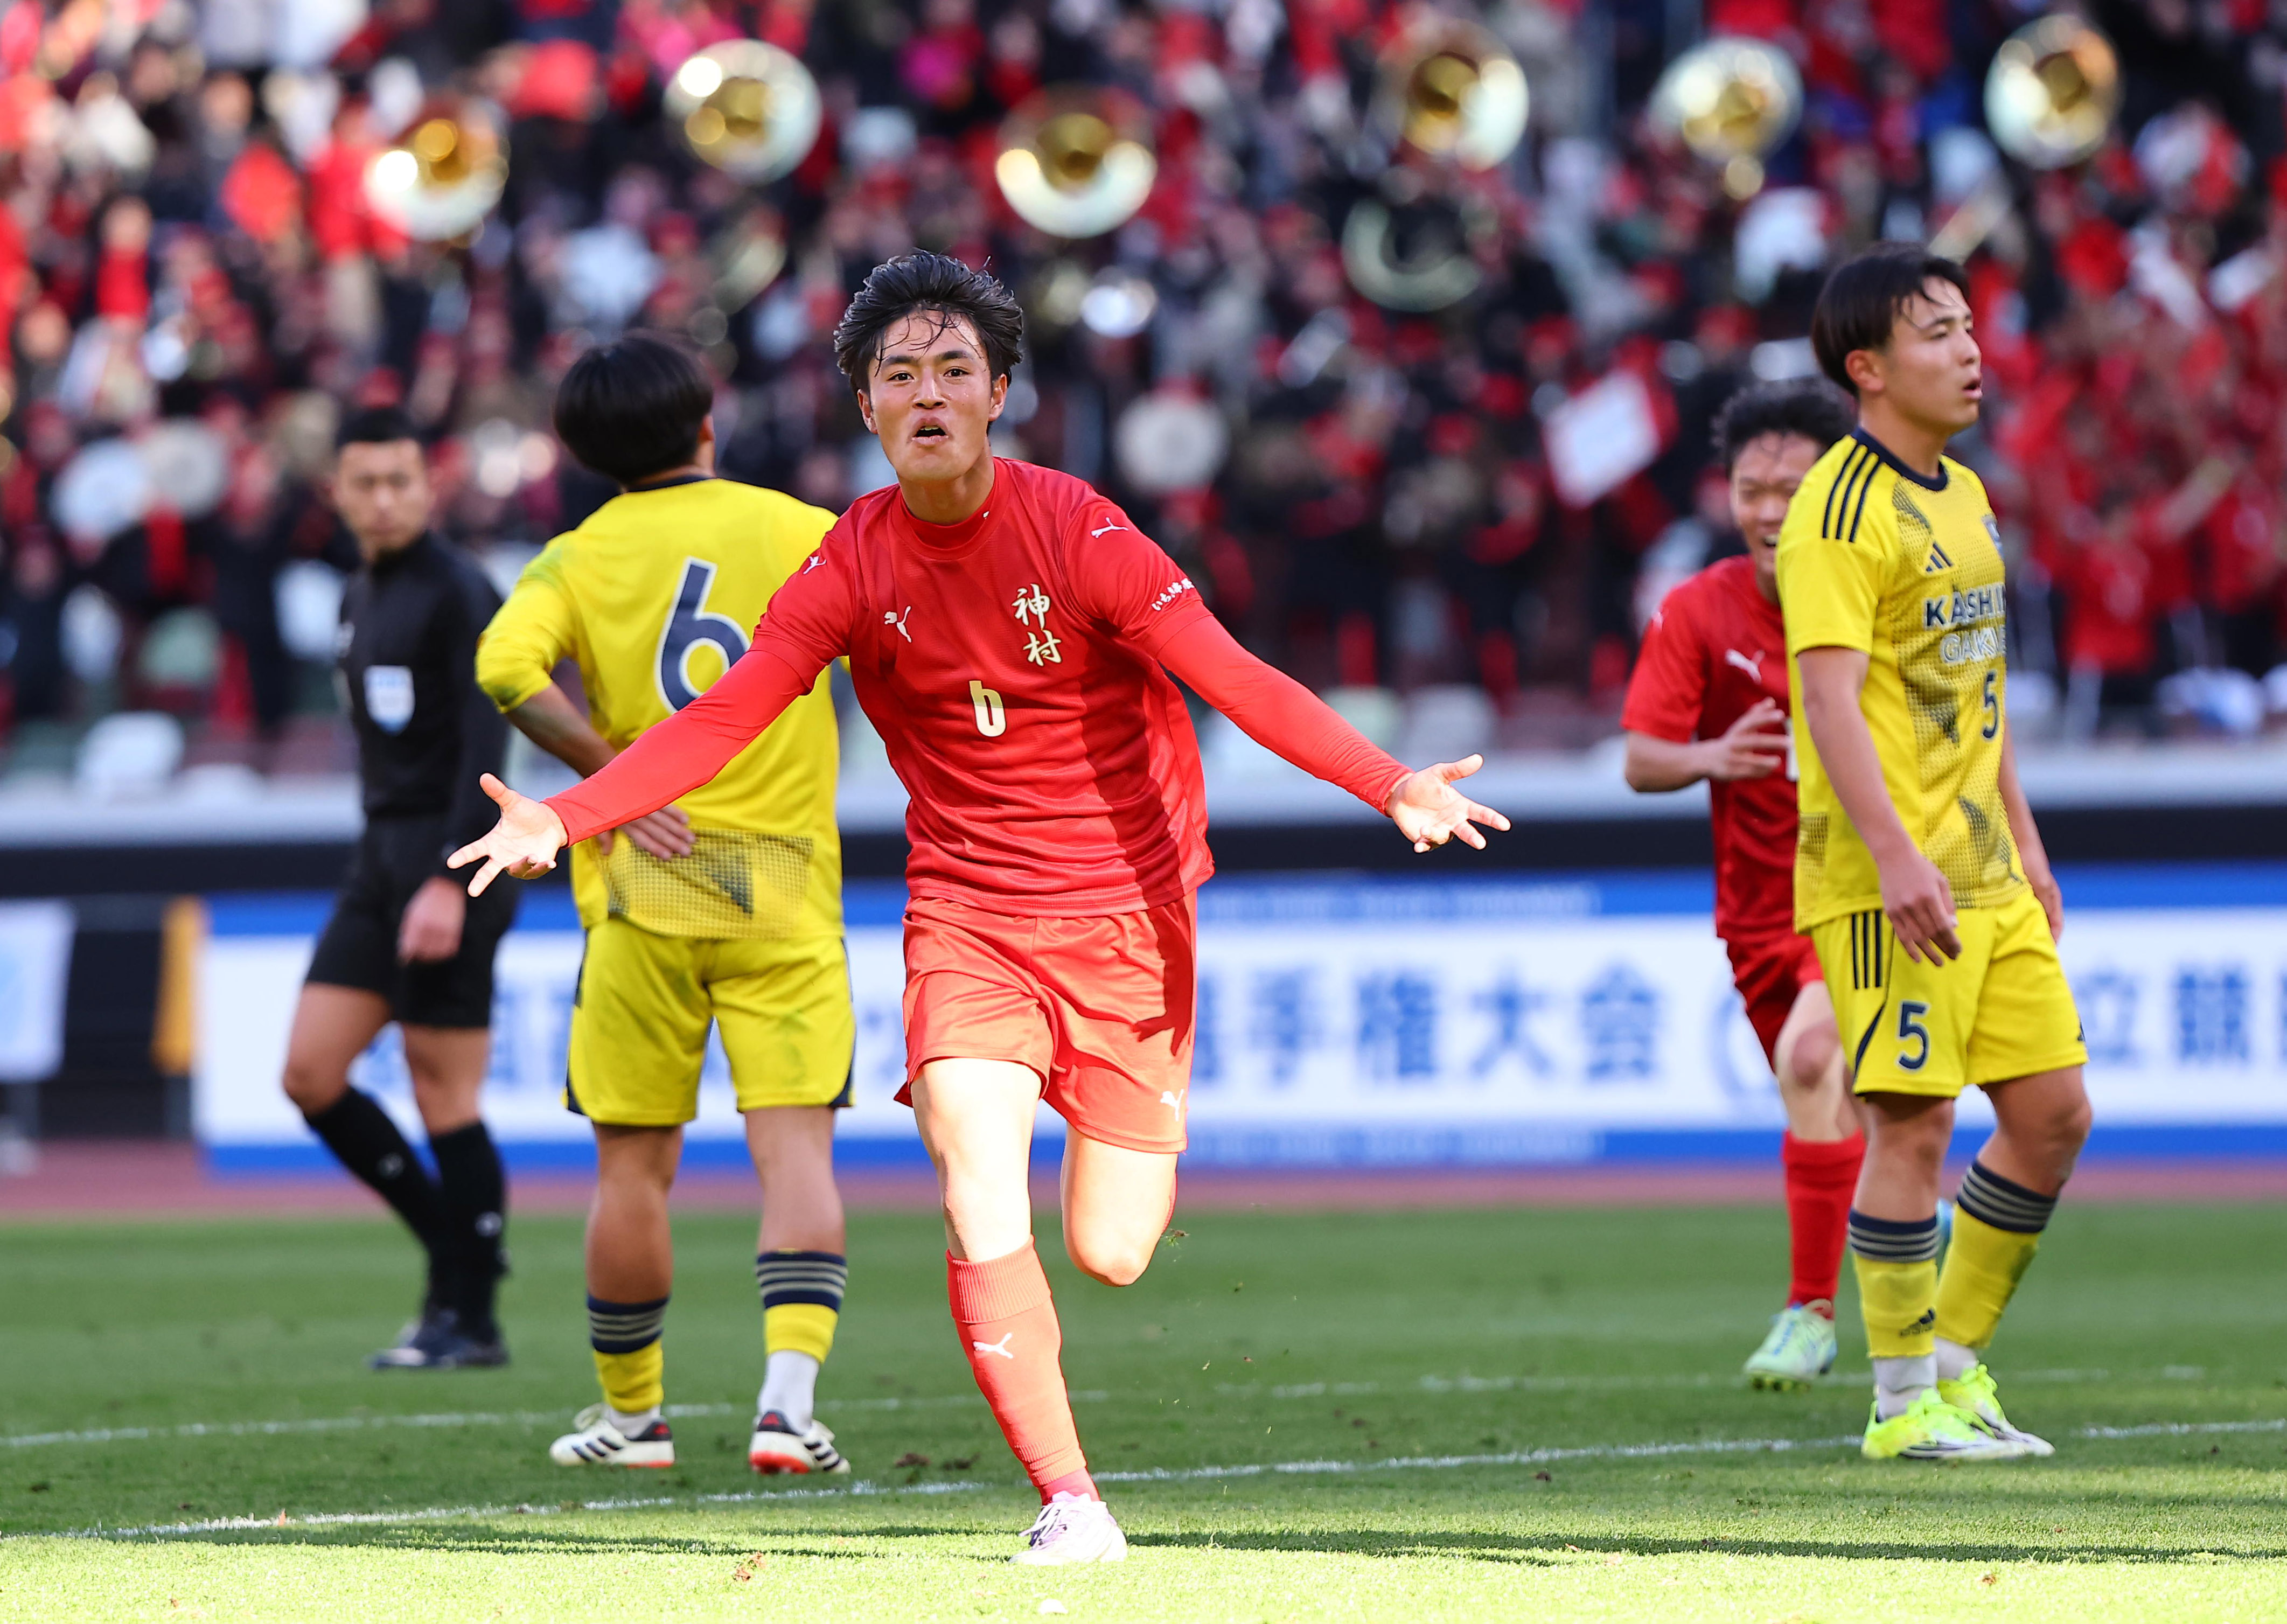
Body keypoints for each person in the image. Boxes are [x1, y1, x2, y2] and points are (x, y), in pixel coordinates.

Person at [448, 252, 1508, 1563]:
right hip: (969, 907)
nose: (929, 391)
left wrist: (1383, 777)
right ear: (867, 408)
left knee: (1112, 1249)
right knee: (964, 1146)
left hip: (1128, 908)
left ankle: (1097, 1236)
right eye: (900, 373)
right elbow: (721, 717)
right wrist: (570, 810)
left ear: (998, 392)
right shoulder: (849, 559)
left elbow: (1229, 673)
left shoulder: (1080, 529)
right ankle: (1071, 1498)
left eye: (955, 368)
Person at [474, 332, 855, 1476]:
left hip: (644, 887)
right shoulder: (800, 528)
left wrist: (610, 782)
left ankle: (633, 1418)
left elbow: (505, 666)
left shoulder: (578, 556)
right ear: (707, 421)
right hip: (783, 882)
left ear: (584, 454)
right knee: (795, 1156)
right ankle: (786, 1406)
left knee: (632, 1169)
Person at [1780, 242, 2091, 1462]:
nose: (1968, 352)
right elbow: (1829, 699)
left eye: (1968, 328)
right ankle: (1899, 1398)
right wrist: (1895, 855)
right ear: (1866, 367)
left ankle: (1953, 1363)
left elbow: (1980, 689)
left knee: (2053, 1113)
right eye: (1935, 333)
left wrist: (2023, 835)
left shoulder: (1963, 495)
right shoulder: (1834, 511)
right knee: (1908, 1126)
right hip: (1886, 879)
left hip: (1987, 869)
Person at [1621, 379, 1864, 1390]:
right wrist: (1712, 754)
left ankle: (1809, 1313)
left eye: (1791, 487)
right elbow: (1640, 758)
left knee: (1814, 1063)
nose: (1767, 508)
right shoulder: (1699, 608)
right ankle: (1900, 1217)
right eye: (1750, 486)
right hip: (1755, 918)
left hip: (1861, 898)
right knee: (1836, 1109)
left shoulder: (1872, 597)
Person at [278, 405, 515, 1370]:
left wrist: (449, 881)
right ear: (336, 491)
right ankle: (455, 1257)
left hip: (451, 861)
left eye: (399, 481)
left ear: (429, 487)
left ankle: (470, 1315)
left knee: (442, 1095)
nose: (382, 498)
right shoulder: (355, 595)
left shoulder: (462, 593)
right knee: (310, 1074)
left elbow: (483, 745)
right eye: (363, 482)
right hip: (377, 860)